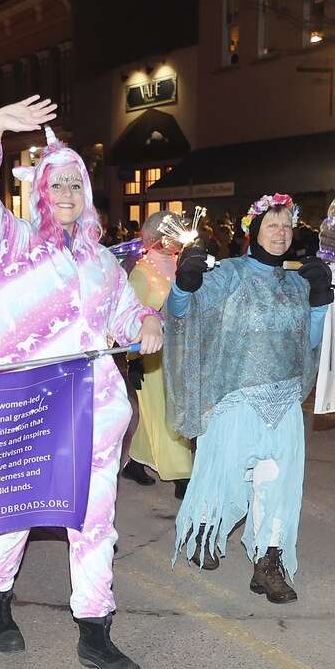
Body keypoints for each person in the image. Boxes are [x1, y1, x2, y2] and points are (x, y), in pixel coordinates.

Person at [0, 95, 164, 669]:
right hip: (28, 409)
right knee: (14, 515)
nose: (67, 194)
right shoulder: (13, 243)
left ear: (87, 192)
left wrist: (145, 321)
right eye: (56, 184)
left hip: (95, 412)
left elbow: (124, 315)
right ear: (39, 191)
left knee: (95, 521)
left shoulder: (103, 261)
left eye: (76, 183)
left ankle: (95, 630)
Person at [165, 193, 331, 602]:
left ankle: (267, 562)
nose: (281, 233)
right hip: (236, 396)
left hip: (284, 401)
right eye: (272, 225)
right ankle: (206, 532)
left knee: (278, 486)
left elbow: (308, 344)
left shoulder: (296, 282)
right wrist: (183, 284)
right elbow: (184, 312)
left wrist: (320, 305)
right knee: (222, 476)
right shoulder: (230, 274)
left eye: (287, 226)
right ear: (253, 230)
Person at [121, 211, 194, 496]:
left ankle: (135, 462)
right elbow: (132, 319)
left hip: (181, 352)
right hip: (152, 356)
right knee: (167, 411)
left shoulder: (182, 265)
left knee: (163, 412)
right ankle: (182, 474)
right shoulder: (142, 272)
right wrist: (133, 360)